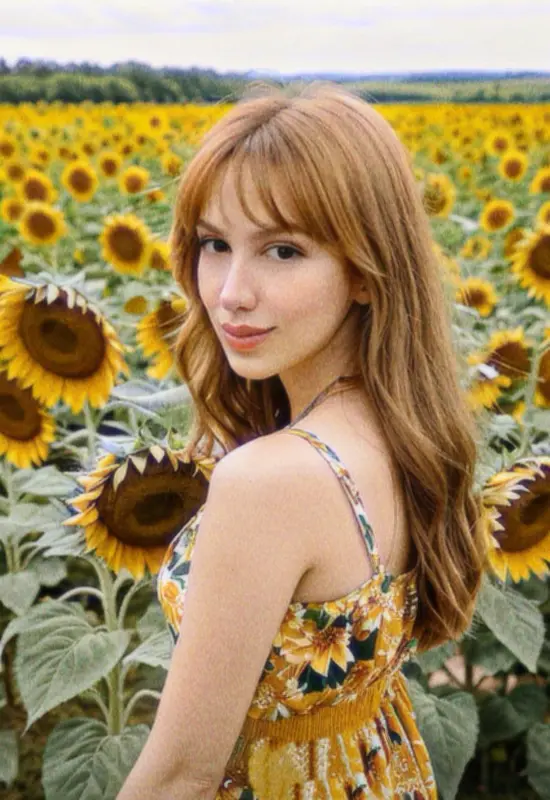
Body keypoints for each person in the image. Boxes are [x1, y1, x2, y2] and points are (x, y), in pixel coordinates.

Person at [117, 83, 487, 800]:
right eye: (215, 243)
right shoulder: (404, 428)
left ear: (366, 273)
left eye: (283, 251)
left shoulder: (272, 482)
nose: (229, 292)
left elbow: (179, 779)